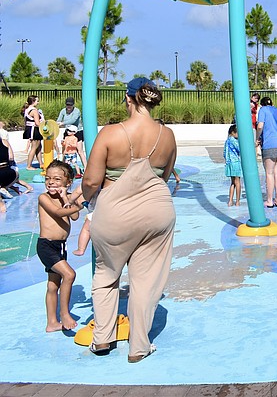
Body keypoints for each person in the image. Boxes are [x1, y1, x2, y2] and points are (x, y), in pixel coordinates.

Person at [81, 77, 177, 362]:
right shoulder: (167, 135)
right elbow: (167, 174)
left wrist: (87, 198)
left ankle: (102, 340)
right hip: (157, 210)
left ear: (128, 98)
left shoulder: (111, 133)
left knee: (106, 275)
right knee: (146, 282)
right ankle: (139, 347)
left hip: (115, 213)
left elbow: (90, 180)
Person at [37, 160, 84, 332]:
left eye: (57, 179)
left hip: (60, 246)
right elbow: (59, 213)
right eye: (48, 178)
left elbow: (75, 217)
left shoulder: (66, 197)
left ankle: (52, 323)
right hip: (46, 246)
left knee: (53, 285)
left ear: (68, 182)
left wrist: (66, 197)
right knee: (69, 274)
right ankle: (64, 313)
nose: (51, 182)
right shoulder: (44, 198)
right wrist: (81, 204)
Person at [255, 96, 277, 207]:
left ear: (262, 104)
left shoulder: (263, 110)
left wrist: (256, 138)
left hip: (270, 144)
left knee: (269, 173)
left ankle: (269, 201)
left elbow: (260, 126)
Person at [57, 97, 86, 165]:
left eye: (70, 105)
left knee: (80, 151)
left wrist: (62, 123)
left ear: (73, 104)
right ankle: (63, 166)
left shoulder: (77, 111)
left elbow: (73, 120)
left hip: (77, 132)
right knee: (64, 150)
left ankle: (85, 167)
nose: (69, 106)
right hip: (68, 132)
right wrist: (56, 124)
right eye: (67, 105)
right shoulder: (63, 111)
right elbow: (59, 120)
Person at [23, 95, 44, 170]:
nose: (38, 102)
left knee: (39, 147)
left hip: (30, 128)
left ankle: (41, 163)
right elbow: (37, 123)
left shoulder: (27, 109)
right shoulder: (34, 111)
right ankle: (29, 165)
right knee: (34, 147)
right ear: (33, 101)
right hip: (34, 129)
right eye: (37, 101)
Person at [223, 124, 241, 206]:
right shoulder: (234, 140)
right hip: (235, 163)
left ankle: (230, 201)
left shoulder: (227, 141)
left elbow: (224, 153)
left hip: (229, 164)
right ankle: (237, 201)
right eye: (238, 133)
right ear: (233, 133)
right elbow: (240, 149)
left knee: (232, 183)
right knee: (238, 182)